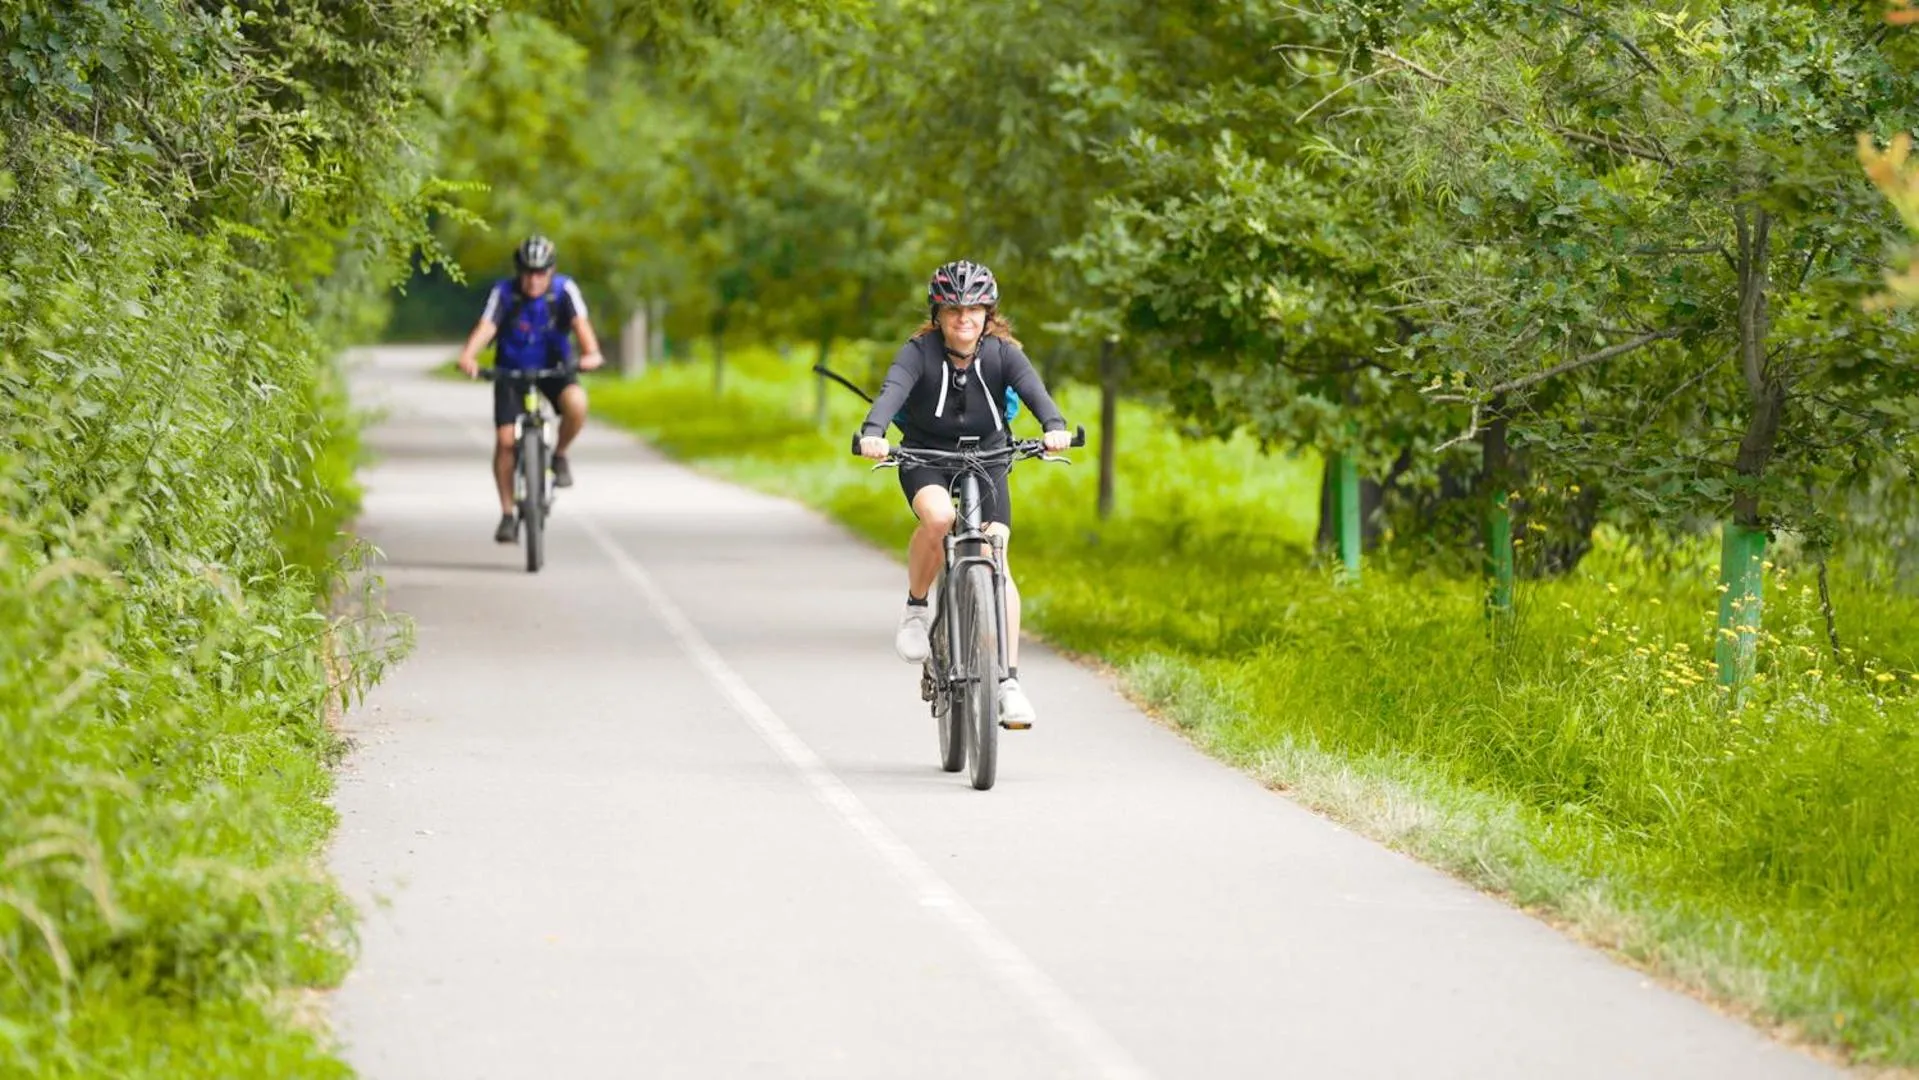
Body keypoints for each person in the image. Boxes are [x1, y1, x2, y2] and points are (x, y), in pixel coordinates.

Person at [857, 260, 1072, 729]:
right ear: (938, 314)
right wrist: (873, 433)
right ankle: (917, 608)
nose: (963, 320)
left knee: (997, 552)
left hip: (989, 459)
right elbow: (891, 393)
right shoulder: (918, 352)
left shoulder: (1002, 354)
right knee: (937, 519)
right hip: (926, 457)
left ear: (988, 313)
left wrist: (1054, 428)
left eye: (974, 309)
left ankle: (1008, 682)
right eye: (953, 310)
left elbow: (1036, 394)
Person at [456, 235, 605, 543]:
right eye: (527, 272)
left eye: (540, 273)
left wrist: (591, 353)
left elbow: (581, 324)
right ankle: (508, 514)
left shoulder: (564, 290)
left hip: (555, 368)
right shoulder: (505, 293)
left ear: (551, 271)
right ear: (518, 271)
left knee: (577, 403)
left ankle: (559, 454)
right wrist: (469, 355)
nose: (533, 279)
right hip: (511, 370)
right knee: (505, 440)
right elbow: (488, 326)